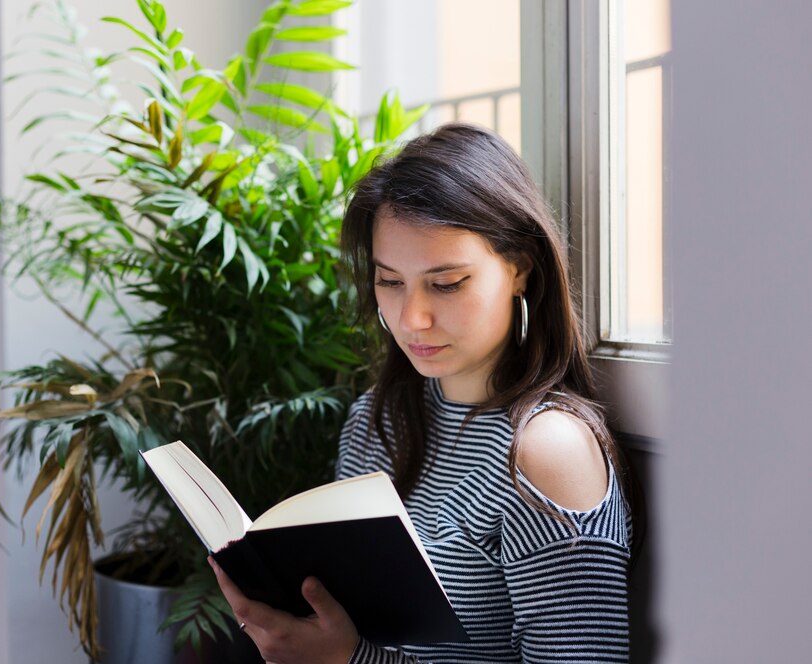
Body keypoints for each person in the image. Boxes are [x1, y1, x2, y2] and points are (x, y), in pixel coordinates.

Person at [210, 123, 633, 663]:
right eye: (389, 281)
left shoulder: (545, 452)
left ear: (520, 269)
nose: (412, 318)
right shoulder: (375, 421)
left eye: (447, 283)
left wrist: (349, 660)